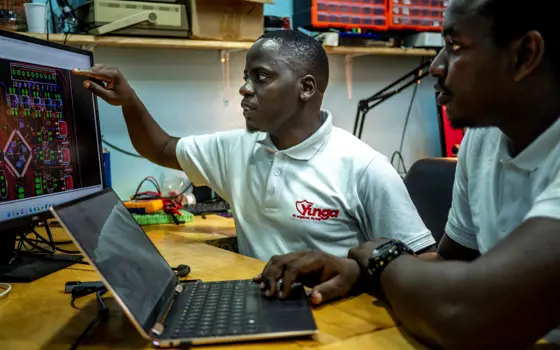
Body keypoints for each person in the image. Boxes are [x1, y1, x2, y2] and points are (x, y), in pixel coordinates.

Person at [255, 1, 560, 348]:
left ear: (524, 55)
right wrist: (358, 271)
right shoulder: (484, 137)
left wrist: (382, 259)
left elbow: (466, 313)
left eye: (455, 47)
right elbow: (449, 260)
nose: (435, 66)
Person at [72, 30, 435, 262]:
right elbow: (162, 148)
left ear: (306, 88)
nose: (245, 88)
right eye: (246, 76)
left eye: (260, 77)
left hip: (339, 320)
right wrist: (129, 101)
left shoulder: (364, 167)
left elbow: (423, 259)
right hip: (260, 303)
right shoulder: (238, 148)